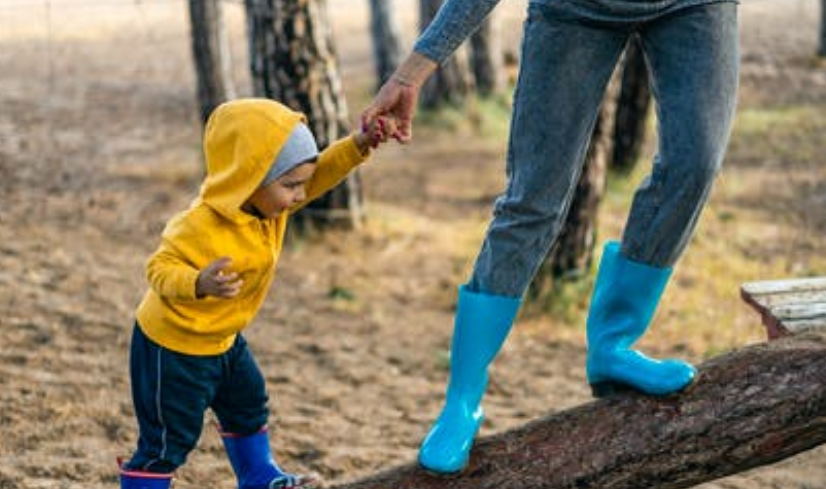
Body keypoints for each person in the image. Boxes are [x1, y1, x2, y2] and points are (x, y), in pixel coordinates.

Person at [362, 0, 739, 476]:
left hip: (691, 7)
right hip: (574, 11)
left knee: (695, 166)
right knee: (532, 202)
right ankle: (462, 402)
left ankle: (613, 346)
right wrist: (413, 73)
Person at [119, 98, 395, 489]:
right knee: (169, 440)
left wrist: (359, 144)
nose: (300, 196)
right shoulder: (200, 224)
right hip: (174, 348)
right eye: (291, 186)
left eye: (301, 184)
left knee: (248, 404)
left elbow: (316, 177)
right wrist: (198, 282)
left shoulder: (269, 206)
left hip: (224, 339)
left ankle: (258, 475)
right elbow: (158, 269)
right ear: (248, 180)